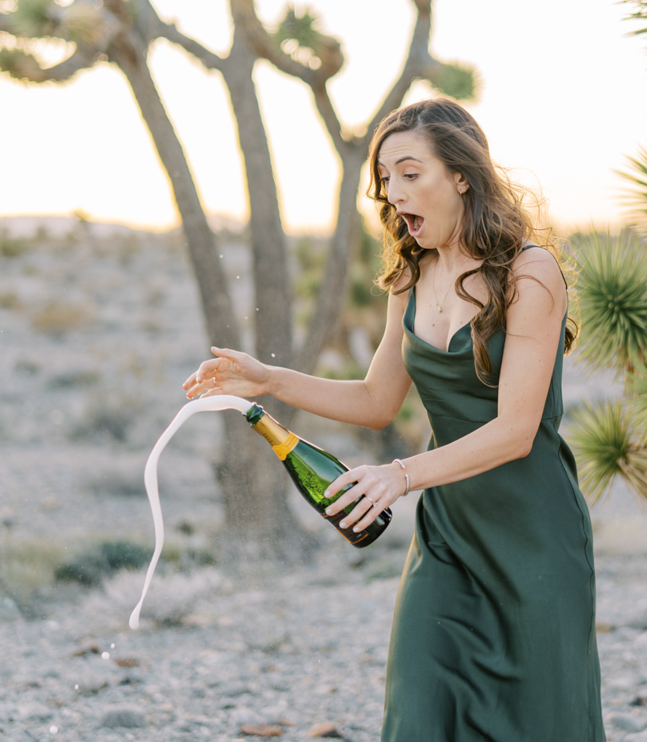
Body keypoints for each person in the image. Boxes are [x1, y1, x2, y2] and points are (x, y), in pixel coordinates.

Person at [183, 98, 605, 742]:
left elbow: (517, 430)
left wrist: (402, 474)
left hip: (534, 538)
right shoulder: (411, 274)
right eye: (385, 178)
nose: (393, 191)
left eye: (411, 173)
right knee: (417, 713)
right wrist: (269, 380)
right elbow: (378, 399)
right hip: (447, 538)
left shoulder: (530, 274)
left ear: (462, 175)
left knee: (538, 725)